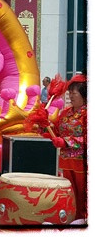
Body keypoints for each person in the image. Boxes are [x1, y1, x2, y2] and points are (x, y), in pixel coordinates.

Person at [46, 74, 87, 221]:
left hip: (82, 163)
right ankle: (72, 220)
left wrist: (66, 142)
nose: (70, 96)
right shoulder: (66, 113)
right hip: (66, 162)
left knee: (84, 195)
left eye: (74, 93)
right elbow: (56, 131)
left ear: (84, 94)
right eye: (69, 93)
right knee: (69, 194)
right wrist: (44, 127)